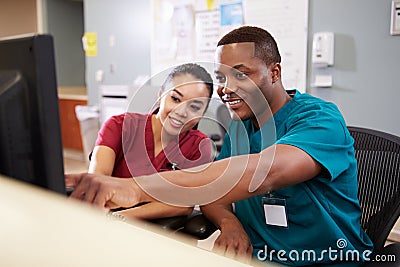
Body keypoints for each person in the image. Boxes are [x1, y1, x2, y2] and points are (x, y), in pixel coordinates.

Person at [66, 26, 373, 266]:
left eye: (241, 74)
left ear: (274, 73)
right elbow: (213, 188)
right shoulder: (239, 127)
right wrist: (229, 223)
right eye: (222, 78)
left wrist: (136, 188)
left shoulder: (320, 119)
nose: (227, 89)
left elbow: (265, 173)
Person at [87, 63, 214, 220]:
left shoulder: (199, 146)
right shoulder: (119, 126)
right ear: (160, 94)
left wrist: (120, 218)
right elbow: (97, 182)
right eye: (175, 99)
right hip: (103, 219)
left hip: (154, 231)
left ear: (203, 113)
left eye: (194, 107)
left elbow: (182, 204)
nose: (181, 112)